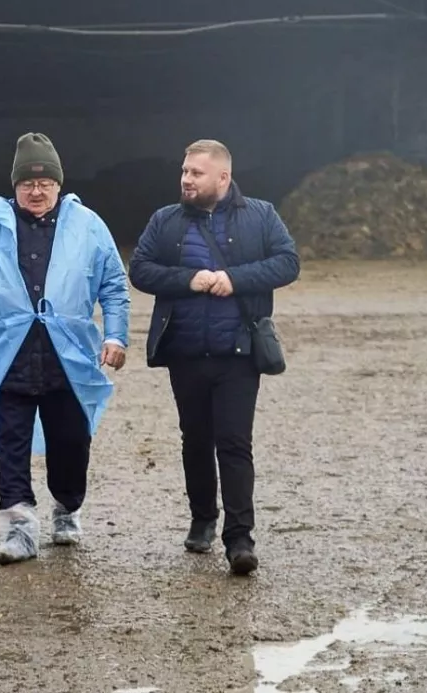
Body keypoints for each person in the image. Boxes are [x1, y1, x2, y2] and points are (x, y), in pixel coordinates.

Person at [0, 133, 130, 564]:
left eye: (45, 183)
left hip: (70, 358)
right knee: (11, 443)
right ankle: (18, 526)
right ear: (15, 186)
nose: (37, 191)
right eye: (28, 183)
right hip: (11, 356)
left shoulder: (89, 226)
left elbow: (114, 286)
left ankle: (67, 504)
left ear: (59, 185)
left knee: (70, 443)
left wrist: (115, 336)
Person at [128, 138, 300, 576]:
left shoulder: (260, 215)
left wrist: (233, 279)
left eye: (196, 173)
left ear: (223, 177)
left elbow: (288, 263)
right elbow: (140, 269)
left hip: (238, 353)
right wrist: (190, 280)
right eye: (184, 171)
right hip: (185, 352)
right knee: (196, 439)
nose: (186, 179)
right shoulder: (165, 221)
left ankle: (240, 538)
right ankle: (202, 519)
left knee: (235, 443)